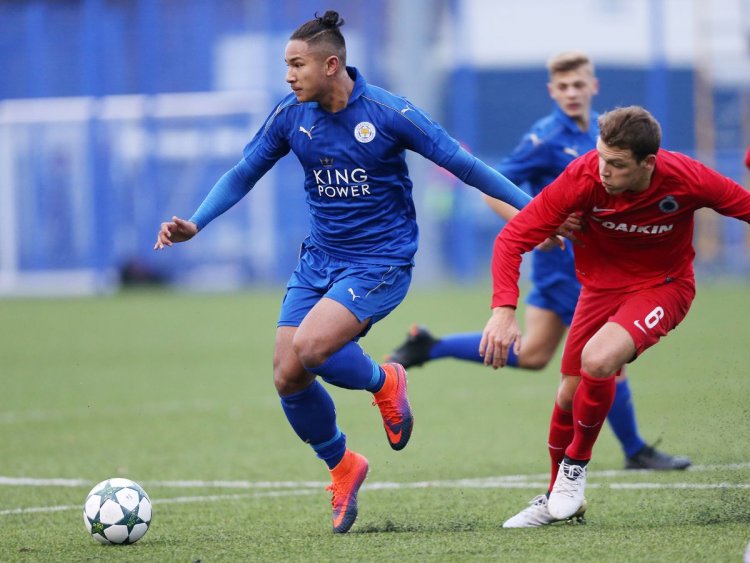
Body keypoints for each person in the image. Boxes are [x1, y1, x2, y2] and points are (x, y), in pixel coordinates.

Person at [154, 11, 533, 534]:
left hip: (381, 262)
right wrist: (196, 222)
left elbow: (467, 167)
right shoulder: (291, 116)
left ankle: (384, 380)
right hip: (319, 260)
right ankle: (343, 464)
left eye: (297, 65)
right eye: (286, 65)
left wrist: (536, 212)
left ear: (331, 65)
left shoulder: (389, 113)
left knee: (312, 348)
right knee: (288, 374)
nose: (288, 75)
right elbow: (243, 172)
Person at [387, 52, 690, 478]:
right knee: (607, 362)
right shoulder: (544, 138)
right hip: (568, 268)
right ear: (552, 92)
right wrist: (536, 225)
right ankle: (635, 449)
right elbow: (492, 189)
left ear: (593, 86)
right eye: (563, 87)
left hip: (598, 264)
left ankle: (431, 346)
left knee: (532, 354)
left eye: (578, 84)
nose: (571, 93)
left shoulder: (609, 133)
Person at [480, 105, 750, 528]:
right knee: (568, 396)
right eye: (601, 156)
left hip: (664, 286)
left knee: (599, 359)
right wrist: (503, 309)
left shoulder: (687, 177)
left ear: (648, 163)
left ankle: (574, 470)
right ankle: (555, 499)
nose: (604, 170)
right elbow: (512, 239)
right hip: (599, 289)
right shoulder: (584, 175)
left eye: (618, 164)